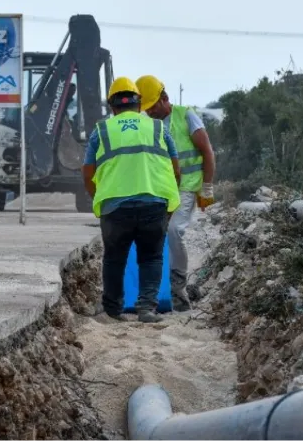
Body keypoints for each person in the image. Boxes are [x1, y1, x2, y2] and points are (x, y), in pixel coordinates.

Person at [81, 77, 181, 323]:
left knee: (115, 258)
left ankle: (113, 310)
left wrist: (99, 199)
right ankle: (147, 308)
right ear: (139, 105)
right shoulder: (158, 129)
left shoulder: (101, 131)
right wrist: (167, 203)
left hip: (115, 208)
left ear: (112, 107)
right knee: (151, 257)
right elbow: (175, 169)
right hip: (154, 204)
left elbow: (87, 172)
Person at [135, 75, 217, 312]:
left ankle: (179, 289)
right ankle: (158, 290)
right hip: (161, 190)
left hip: (187, 187)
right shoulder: (149, 124)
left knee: (173, 231)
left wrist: (207, 186)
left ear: (164, 98)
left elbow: (207, 151)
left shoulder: (186, 115)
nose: (149, 113)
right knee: (156, 235)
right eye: (146, 109)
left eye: (152, 107)